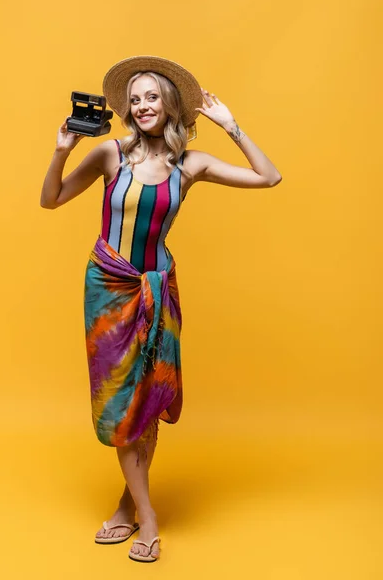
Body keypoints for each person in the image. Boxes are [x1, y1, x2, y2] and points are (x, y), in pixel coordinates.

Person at [40, 55, 282, 563]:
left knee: (149, 396)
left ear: (169, 105)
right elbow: (52, 199)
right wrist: (61, 152)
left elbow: (269, 177)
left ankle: (129, 505)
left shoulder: (188, 166)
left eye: (151, 96)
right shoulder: (110, 154)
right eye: (134, 99)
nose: (142, 105)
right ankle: (149, 518)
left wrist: (231, 126)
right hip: (109, 288)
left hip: (157, 288)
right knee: (118, 402)